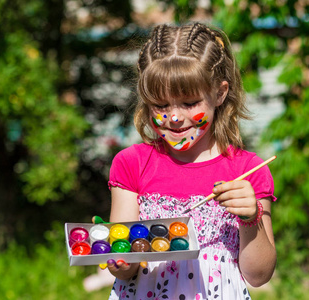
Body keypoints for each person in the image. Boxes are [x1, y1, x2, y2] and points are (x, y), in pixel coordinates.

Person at [107, 22, 277, 300]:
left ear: (220, 93)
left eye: (189, 103)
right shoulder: (132, 164)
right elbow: (125, 269)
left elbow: (258, 276)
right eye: (161, 105)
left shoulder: (247, 171)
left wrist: (250, 218)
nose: (174, 117)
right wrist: (122, 262)